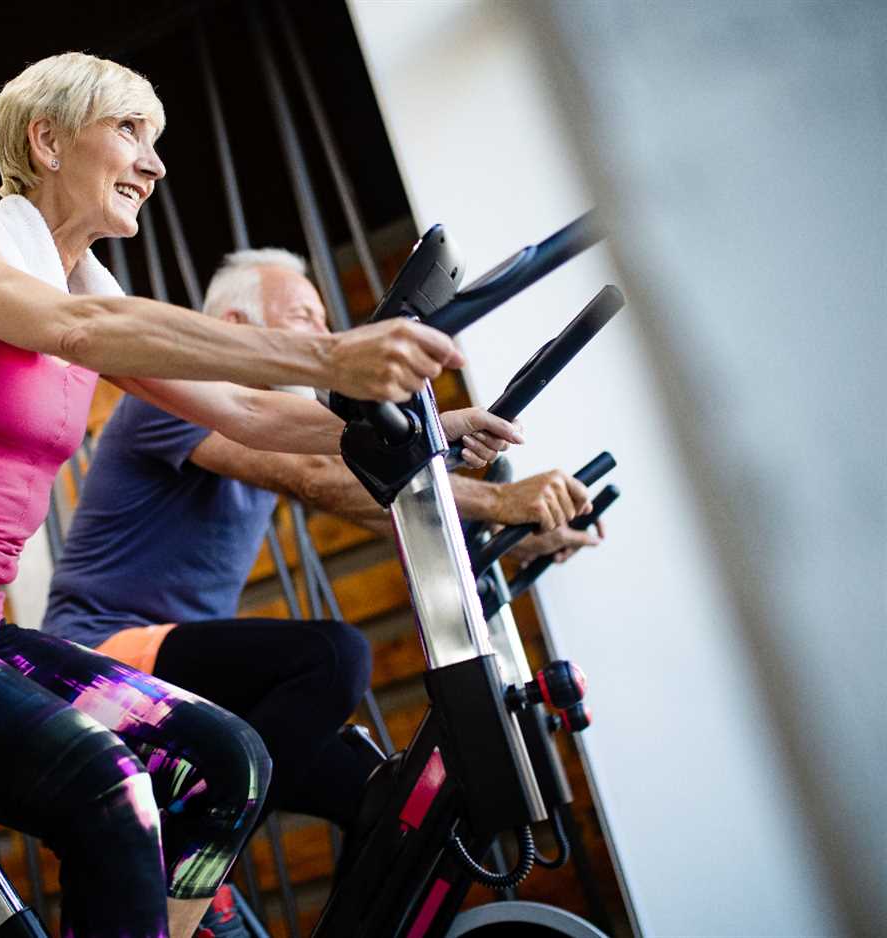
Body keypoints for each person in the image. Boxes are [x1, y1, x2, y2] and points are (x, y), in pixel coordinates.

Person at [0, 53, 518, 938]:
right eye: (129, 132)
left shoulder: (89, 288)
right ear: (46, 140)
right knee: (111, 784)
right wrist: (329, 356)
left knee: (228, 761)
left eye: (154, 142)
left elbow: (245, 413)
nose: (154, 165)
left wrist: (436, 424)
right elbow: (85, 331)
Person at [42, 249, 602, 935]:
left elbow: (380, 503)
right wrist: (499, 499)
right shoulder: (173, 390)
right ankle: (188, 868)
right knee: (332, 657)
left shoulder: (263, 421)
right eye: (305, 315)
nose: (322, 333)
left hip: (185, 689)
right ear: (237, 321)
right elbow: (313, 478)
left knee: (389, 802)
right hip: (98, 660)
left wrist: (523, 523)